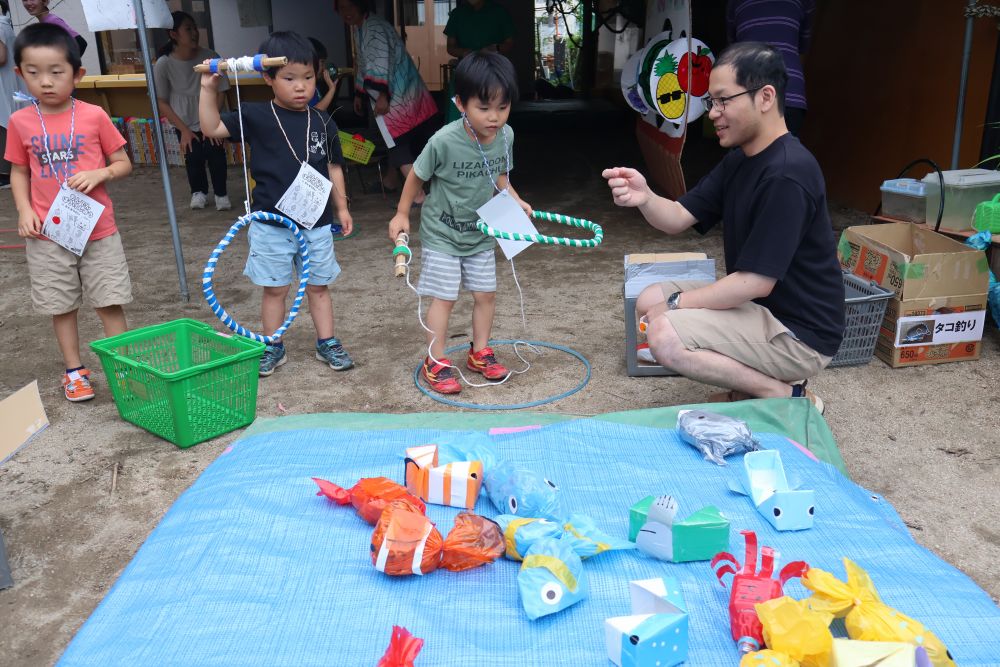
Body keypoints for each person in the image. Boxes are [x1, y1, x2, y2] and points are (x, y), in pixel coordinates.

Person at [603, 42, 843, 413]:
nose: (713, 113)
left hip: (799, 334)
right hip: (761, 308)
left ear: (765, 97)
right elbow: (678, 218)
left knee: (665, 335)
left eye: (722, 100)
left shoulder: (787, 173)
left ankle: (785, 396)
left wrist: (678, 304)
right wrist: (645, 197)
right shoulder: (741, 159)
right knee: (648, 299)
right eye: (711, 102)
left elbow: (755, 282)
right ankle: (751, 386)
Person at [199, 31, 354, 377]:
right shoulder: (256, 115)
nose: (301, 87)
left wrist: (341, 208)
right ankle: (273, 344)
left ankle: (326, 341)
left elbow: (333, 168)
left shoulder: (323, 121)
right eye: (289, 78)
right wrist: (208, 89)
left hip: (315, 222)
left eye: (309, 78)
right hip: (271, 223)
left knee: (318, 285)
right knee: (275, 288)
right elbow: (210, 127)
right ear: (268, 77)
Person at [388, 52, 531, 395]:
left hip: (480, 233)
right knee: (444, 298)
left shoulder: (506, 136)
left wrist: (516, 199)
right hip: (443, 234)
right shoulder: (443, 141)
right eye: (484, 108)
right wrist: (402, 213)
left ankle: (479, 352)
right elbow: (417, 177)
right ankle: (435, 361)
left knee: (486, 294)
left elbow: (499, 176)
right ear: (460, 103)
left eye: (502, 107)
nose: (494, 117)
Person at [5, 23, 133, 401]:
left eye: (56, 72)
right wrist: (24, 210)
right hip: (48, 234)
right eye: (33, 72)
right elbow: (19, 170)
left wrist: (101, 173)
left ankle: (125, 368)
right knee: (61, 306)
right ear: (20, 74)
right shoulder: (20, 122)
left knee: (109, 300)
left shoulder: (93, 115)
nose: (45, 82)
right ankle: (74, 371)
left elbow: (123, 162)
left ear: (77, 74)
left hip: (99, 231)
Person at [334, 0, 438, 204]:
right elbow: (363, 65)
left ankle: (417, 195)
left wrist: (382, 95)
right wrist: (360, 94)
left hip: (396, 97)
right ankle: (391, 180)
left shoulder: (373, 28)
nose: (346, 12)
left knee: (398, 144)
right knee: (400, 140)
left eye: (351, 5)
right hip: (404, 94)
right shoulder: (361, 28)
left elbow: (381, 62)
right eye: (342, 8)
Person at [153, 11, 230, 211]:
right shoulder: (163, 64)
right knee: (193, 155)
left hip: (211, 117)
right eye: (188, 29)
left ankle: (222, 193)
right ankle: (199, 192)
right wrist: (184, 130)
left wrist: (211, 120)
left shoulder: (211, 57)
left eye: (195, 28)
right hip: (183, 120)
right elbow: (161, 101)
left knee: (216, 152)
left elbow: (222, 91)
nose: (194, 32)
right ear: (174, 34)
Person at [726, 0, 814, 136]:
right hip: (789, 91)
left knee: (743, 155)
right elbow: (803, 45)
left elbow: (733, 45)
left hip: (747, 90)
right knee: (784, 155)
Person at [443, 0, 515, 122]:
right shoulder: (457, 14)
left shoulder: (499, 12)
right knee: (458, 114)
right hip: (466, 69)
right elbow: (450, 47)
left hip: (493, 69)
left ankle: (493, 140)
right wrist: (464, 52)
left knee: (493, 110)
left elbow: (510, 43)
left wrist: (495, 48)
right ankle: (460, 140)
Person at [1, 0, 22, 189]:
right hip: (9, 82)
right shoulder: (5, 24)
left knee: (4, 122)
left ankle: (6, 173)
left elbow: (1, 56)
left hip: (3, 83)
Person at [21, 0, 86, 56]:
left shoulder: (52, 21)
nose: (28, 3)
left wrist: (66, 65)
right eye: (25, 0)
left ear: (44, 1)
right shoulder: (44, 23)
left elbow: (81, 43)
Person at [307, 37, 337, 112]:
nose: (324, 68)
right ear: (311, 62)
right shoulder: (307, 89)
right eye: (322, 62)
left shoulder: (315, 85)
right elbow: (315, 113)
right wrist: (332, 89)